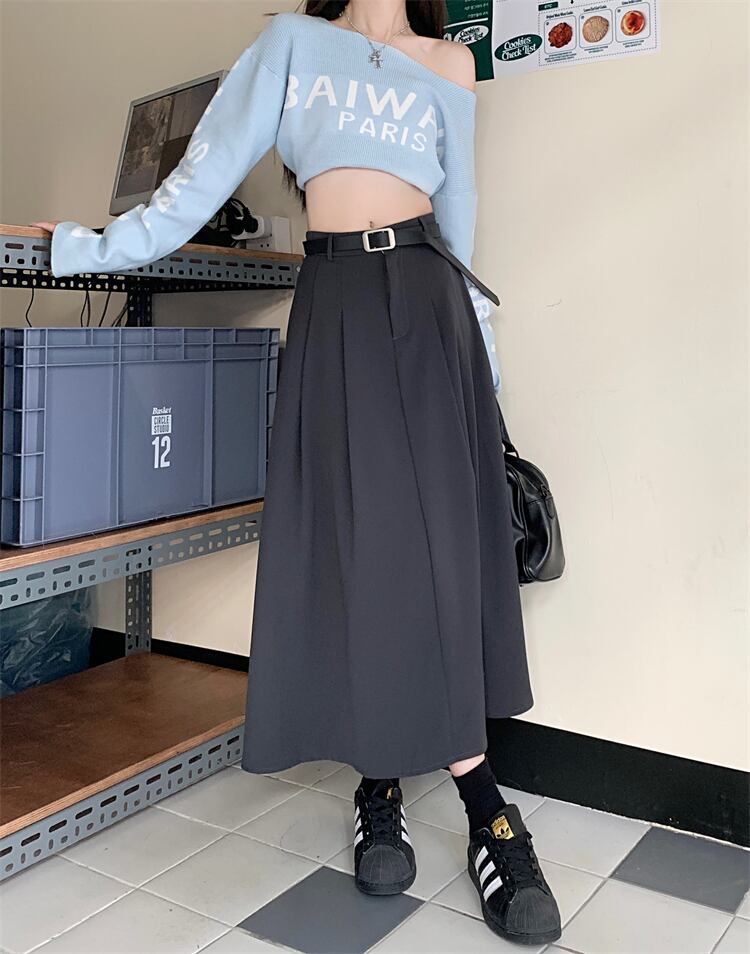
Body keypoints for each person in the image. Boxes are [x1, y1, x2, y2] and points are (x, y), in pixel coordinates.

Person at [34, 0, 561, 944]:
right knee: (357, 543)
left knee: (439, 556)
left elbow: (461, 225)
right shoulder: (291, 43)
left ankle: (472, 801)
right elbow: (197, 179)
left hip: (430, 304)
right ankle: (387, 785)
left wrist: (481, 375)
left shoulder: (451, 63)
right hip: (337, 300)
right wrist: (85, 249)